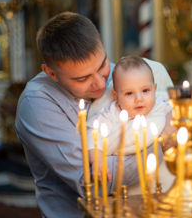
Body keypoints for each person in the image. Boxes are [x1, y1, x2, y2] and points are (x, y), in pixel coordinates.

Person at [14, 12, 173, 218]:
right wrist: (165, 142)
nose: (100, 83)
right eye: (82, 79)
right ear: (51, 73)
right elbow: (92, 181)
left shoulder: (119, 75)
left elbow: (166, 104)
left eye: (102, 65)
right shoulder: (36, 105)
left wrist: (171, 114)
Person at [87, 55, 171, 179]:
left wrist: (169, 129)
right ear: (115, 96)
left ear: (154, 89)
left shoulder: (160, 105)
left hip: (160, 169)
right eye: (129, 93)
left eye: (145, 90)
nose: (139, 99)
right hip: (128, 173)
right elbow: (93, 134)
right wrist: (97, 161)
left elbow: (179, 113)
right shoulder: (112, 112)